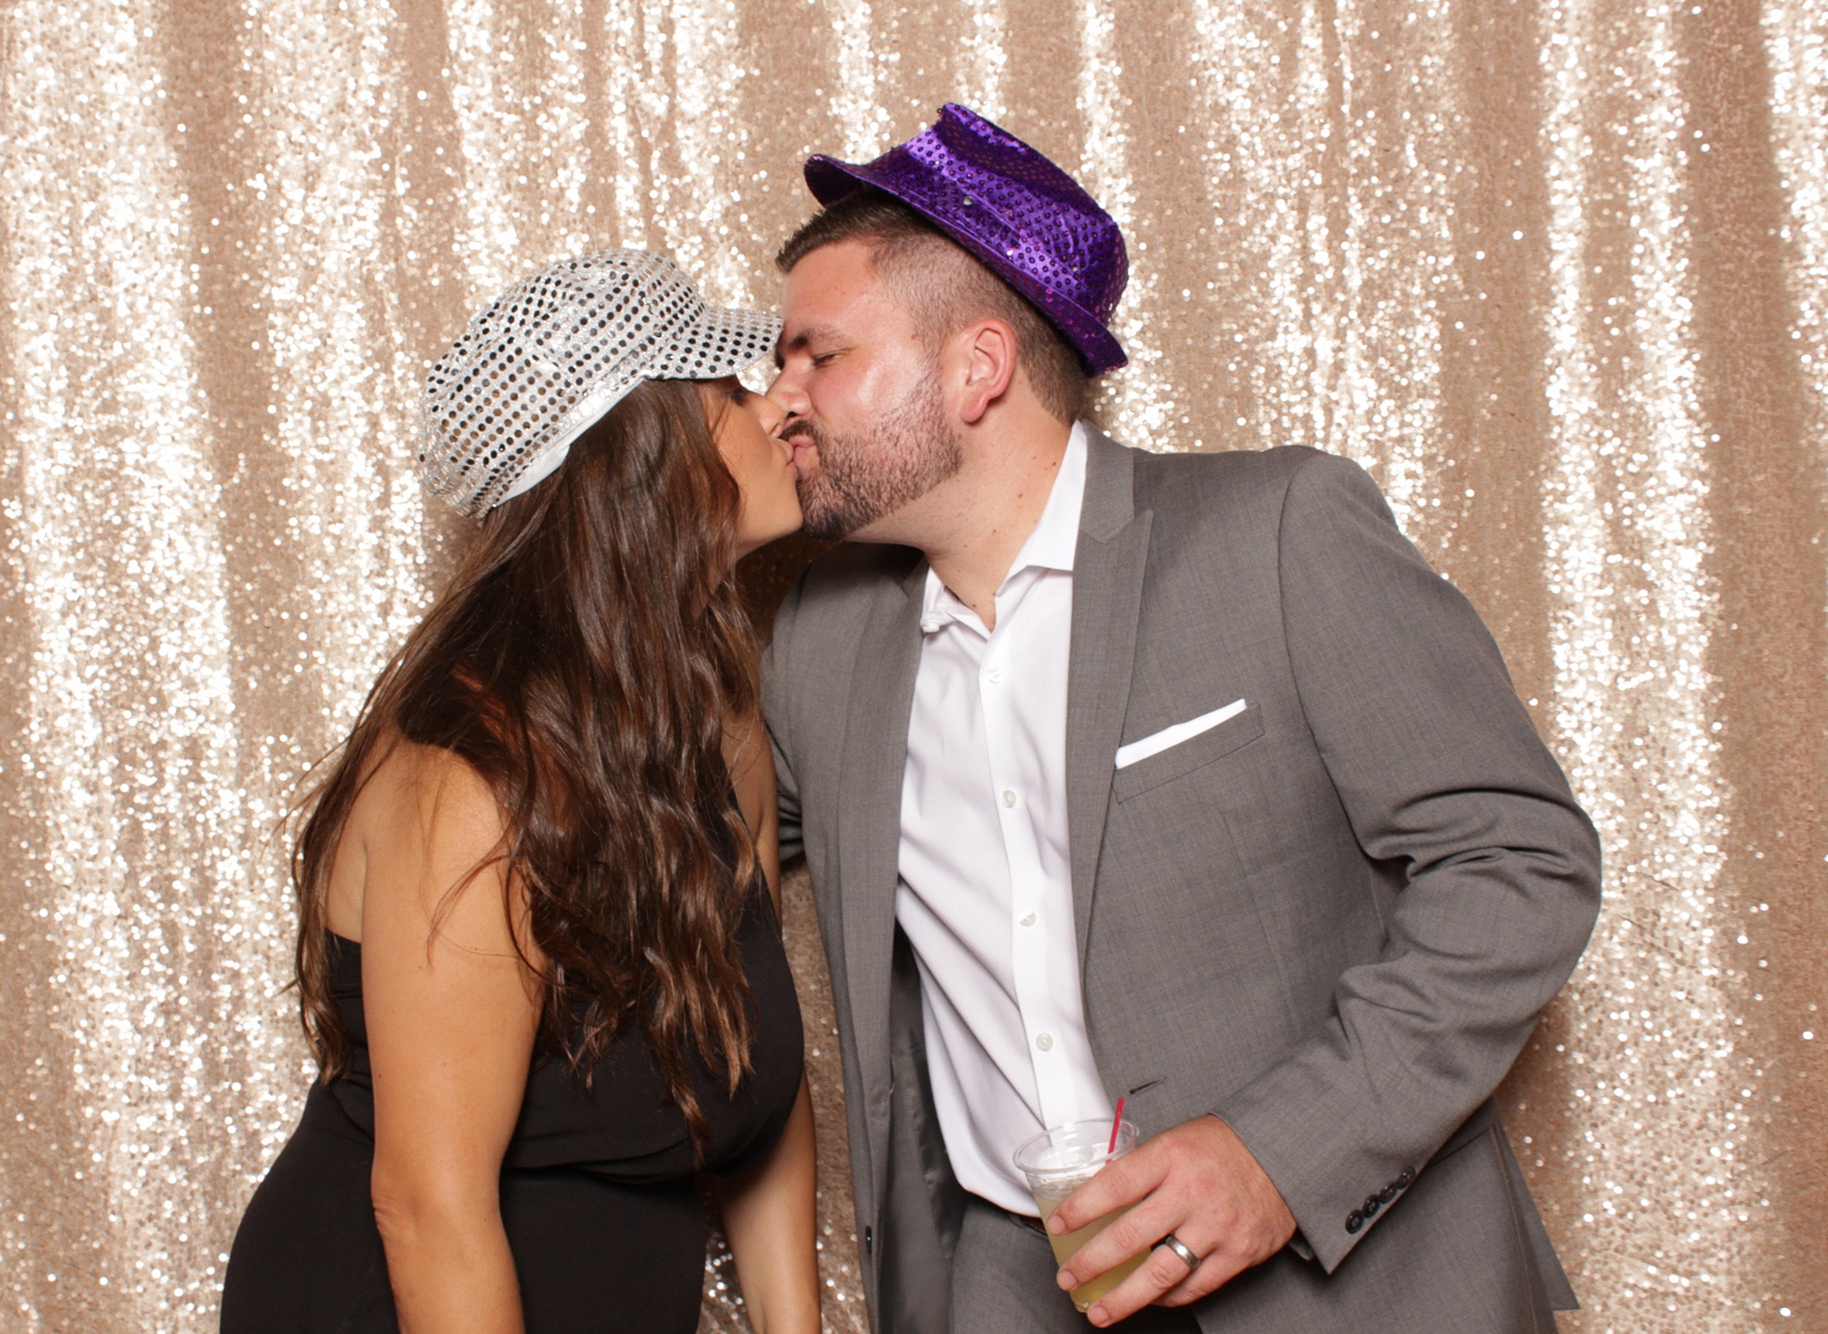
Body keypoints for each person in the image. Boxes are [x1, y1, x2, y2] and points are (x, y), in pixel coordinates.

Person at [759, 104, 1602, 1334]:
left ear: (975, 367)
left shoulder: (1273, 533)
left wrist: (1278, 1148)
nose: (777, 398)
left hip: (1349, 1290)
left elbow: (1518, 861)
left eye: (814, 357)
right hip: (1013, 1290)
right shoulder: (816, 645)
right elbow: (655, 842)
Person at [222, 249, 821, 1334]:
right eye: (730, 387)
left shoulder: (715, 711)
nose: (783, 396)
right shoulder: (471, 786)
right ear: (641, 459)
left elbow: (751, 1058)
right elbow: (427, 1206)